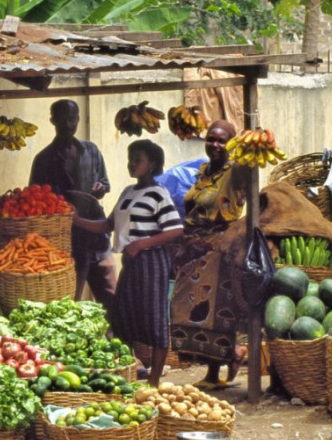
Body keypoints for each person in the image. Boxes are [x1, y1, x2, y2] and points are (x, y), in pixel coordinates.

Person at [74, 139, 183, 387]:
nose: (132, 164)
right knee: (123, 316)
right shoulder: (128, 192)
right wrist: (77, 221)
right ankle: (130, 372)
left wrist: (141, 244)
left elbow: (176, 230)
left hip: (151, 262)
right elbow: (108, 225)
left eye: (138, 160)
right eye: (130, 158)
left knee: (154, 317)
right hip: (132, 263)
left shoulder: (159, 193)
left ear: (152, 164)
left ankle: (154, 380)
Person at [170, 119, 251, 390]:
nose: (215, 145)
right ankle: (227, 359)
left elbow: (251, 172)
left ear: (231, 143)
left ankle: (219, 369)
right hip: (192, 249)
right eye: (210, 139)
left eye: (221, 140)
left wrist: (253, 140)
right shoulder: (203, 171)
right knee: (187, 310)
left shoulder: (236, 172)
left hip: (219, 249)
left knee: (215, 311)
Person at [29, 99, 117, 311]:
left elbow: (105, 184)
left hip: (97, 239)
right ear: (53, 121)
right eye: (63, 119)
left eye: (72, 119)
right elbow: (34, 201)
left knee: (112, 303)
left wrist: (100, 188)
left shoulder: (91, 150)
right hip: (66, 245)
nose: (69, 124)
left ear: (77, 119)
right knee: (68, 305)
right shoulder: (43, 160)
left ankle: (119, 342)